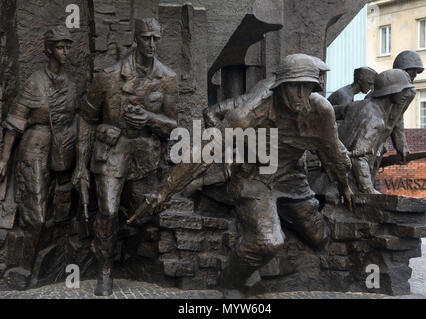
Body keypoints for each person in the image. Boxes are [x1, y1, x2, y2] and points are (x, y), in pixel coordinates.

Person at [133, 54, 353, 296]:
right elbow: (205, 152)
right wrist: (165, 191)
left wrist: (345, 186)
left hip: (291, 175)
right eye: (295, 87)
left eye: (307, 88)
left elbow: (332, 150)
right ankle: (231, 281)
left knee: (319, 237)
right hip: (254, 177)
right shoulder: (249, 113)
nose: (301, 95)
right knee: (268, 241)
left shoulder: (321, 110)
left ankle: (275, 226)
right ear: (280, 87)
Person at [72, 18, 178, 296]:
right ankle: (105, 271)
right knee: (107, 210)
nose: (152, 44)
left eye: (156, 38)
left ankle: (133, 259)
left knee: (141, 216)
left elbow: (173, 126)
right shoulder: (108, 76)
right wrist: (80, 166)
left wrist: (150, 119)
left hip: (144, 156)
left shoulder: (167, 78)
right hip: (111, 152)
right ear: (136, 39)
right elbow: (85, 118)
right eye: (146, 38)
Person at [0, 26, 77, 284]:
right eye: (59, 47)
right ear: (48, 50)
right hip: (33, 150)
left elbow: (74, 120)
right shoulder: (35, 81)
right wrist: (3, 158)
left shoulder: (70, 84)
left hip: (61, 153)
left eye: (67, 46)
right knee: (36, 215)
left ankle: (43, 269)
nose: (65, 51)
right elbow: (14, 122)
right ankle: (20, 270)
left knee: (57, 213)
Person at [338, 69, 416, 194]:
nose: (407, 94)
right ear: (391, 91)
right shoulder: (376, 120)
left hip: (331, 177)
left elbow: (331, 112)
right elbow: (358, 159)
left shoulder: (358, 105)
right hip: (345, 184)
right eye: (403, 90)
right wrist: (370, 190)